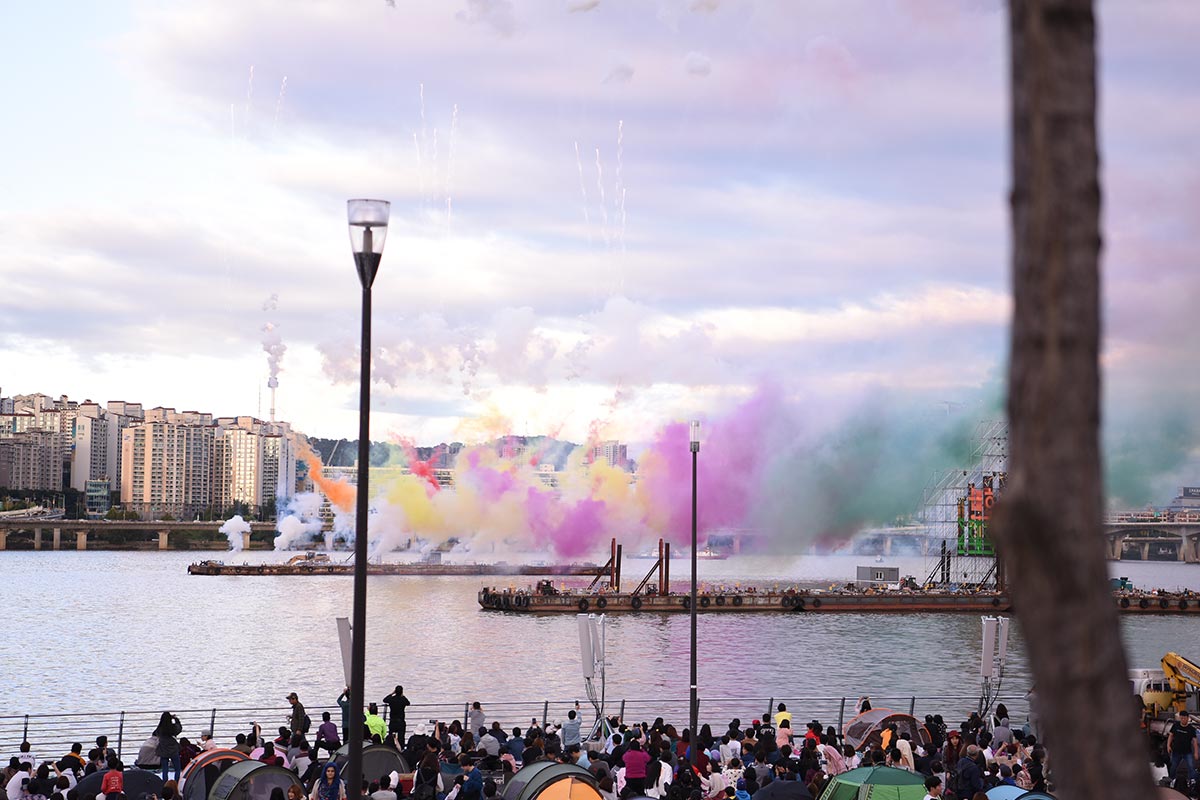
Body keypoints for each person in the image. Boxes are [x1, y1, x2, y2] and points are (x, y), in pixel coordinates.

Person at [1167, 709, 1199, 785]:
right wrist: (1168, 746)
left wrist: (1196, 752)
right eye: (1181, 718)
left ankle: (1192, 781)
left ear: (1188, 718)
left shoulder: (1191, 729)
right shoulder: (1176, 725)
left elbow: (1194, 741)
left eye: (1184, 718)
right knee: (1173, 766)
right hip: (1176, 751)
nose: (1183, 720)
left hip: (1187, 752)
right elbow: (1171, 736)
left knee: (1191, 767)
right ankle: (1172, 780)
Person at [154, 712, 183, 782]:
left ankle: (165, 783)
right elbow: (179, 728)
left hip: (163, 750)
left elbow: (155, 733)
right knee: (177, 769)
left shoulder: (159, 729)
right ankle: (176, 782)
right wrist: (176, 719)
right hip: (173, 750)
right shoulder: (172, 728)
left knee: (165, 769)